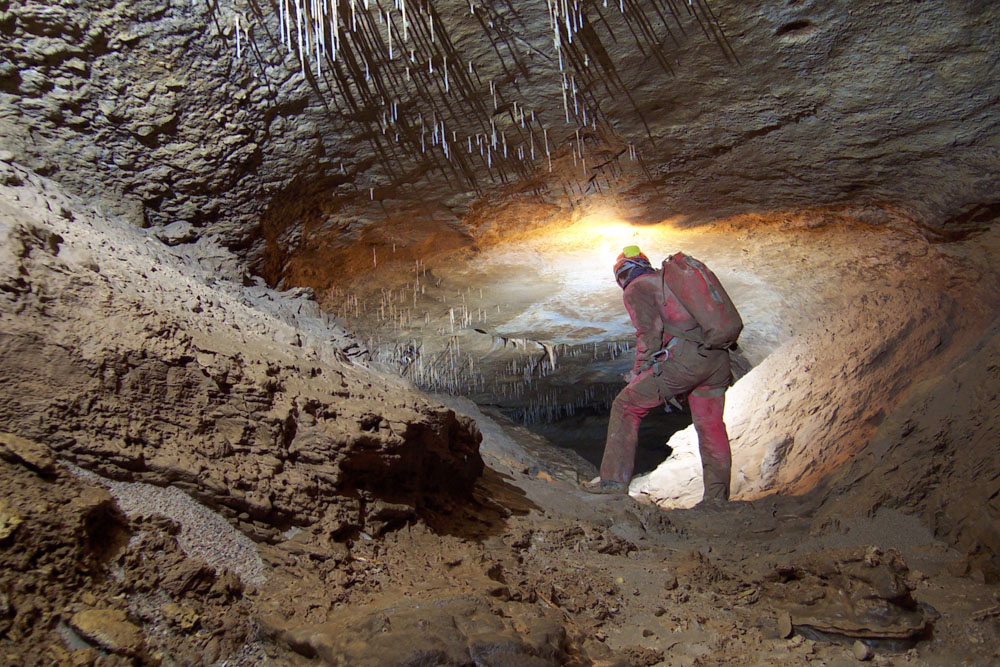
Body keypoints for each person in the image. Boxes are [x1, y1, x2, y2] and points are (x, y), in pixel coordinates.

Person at [581, 246, 733, 502]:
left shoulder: (637, 288)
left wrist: (639, 371)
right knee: (710, 426)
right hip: (717, 358)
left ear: (621, 274)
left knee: (626, 405)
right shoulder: (671, 282)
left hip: (686, 360)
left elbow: (648, 334)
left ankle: (612, 481)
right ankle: (717, 499)